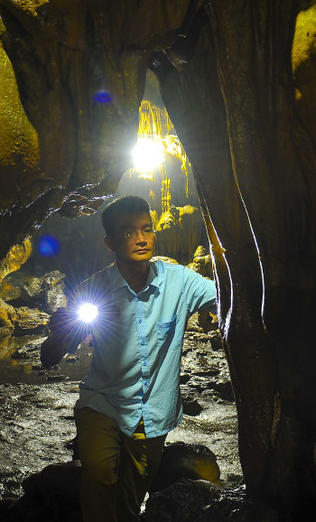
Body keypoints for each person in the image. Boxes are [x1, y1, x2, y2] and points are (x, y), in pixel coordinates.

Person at [41, 195, 217, 522]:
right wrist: (63, 331)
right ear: (109, 242)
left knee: (130, 500)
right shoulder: (95, 289)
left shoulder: (179, 282)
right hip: (102, 404)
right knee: (99, 478)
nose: (140, 238)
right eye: (127, 233)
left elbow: (228, 297)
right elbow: (49, 357)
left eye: (146, 229)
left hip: (151, 415)